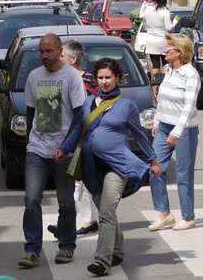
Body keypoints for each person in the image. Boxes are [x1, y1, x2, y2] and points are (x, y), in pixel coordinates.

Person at [57, 58, 163, 276]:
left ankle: (102, 261)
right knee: (108, 214)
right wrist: (63, 149)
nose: (104, 82)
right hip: (91, 167)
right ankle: (117, 250)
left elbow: (139, 135)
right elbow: (78, 129)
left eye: (108, 77)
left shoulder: (127, 105)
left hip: (117, 167)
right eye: (101, 77)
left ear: (117, 78)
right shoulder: (88, 102)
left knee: (105, 213)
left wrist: (153, 160)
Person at [17, 33, 87, 269]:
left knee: (66, 202)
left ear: (59, 51)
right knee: (32, 199)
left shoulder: (71, 78)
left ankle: (66, 246)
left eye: (49, 51)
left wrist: (66, 147)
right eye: (41, 52)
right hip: (37, 150)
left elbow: (79, 116)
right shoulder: (34, 77)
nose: (44, 56)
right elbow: (30, 112)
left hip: (63, 153)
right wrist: (31, 141)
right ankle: (32, 250)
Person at [149, 33, 202, 232]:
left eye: (168, 49)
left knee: (183, 173)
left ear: (179, 52)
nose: (164, 52)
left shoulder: (190, 74)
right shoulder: (168, 70)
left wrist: (177, 131)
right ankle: (164, 214)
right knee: (155, 169)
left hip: (184, 129)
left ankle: (188, 217)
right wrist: (157, 121)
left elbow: (189, 106)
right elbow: (162, 100)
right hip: (164, 126)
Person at [48, 41, 99, 239]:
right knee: (77, 181)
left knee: (80, 181)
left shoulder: (89, 79)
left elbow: (96, 106)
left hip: (84, 136)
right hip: (66, 136)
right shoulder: (59, 79)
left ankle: (82, 221)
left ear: (73, 59)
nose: (58, 60)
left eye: (62, 56)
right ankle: (87, 219)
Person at [141, 0, 181, 73]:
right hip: (163, 40)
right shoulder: (165, 11)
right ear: (165, 0)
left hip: (151, 41)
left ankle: (155, 85)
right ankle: (164, 83)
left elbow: (145, 26)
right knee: (165, 64)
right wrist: (175, 21)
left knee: (155, 65)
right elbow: (169, 28)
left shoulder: (147, 10)